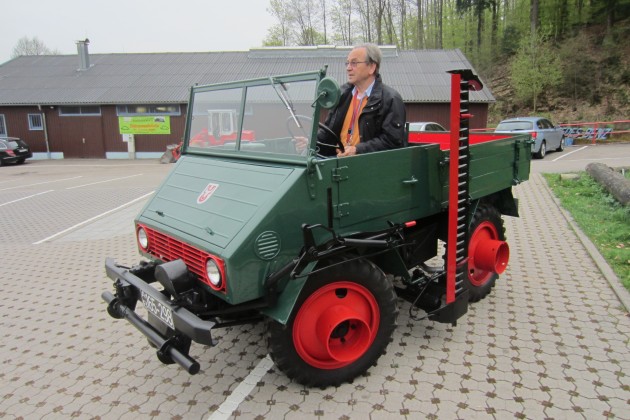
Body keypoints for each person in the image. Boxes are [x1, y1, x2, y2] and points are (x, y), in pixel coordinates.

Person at [315, 43, 406, 157]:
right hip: (337, 164)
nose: (348, 68)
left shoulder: (391, 99)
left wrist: (357, 150)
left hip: (368, 168)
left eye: (354, 63)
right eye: (347, 63)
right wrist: (311, 142)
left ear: (372, 67)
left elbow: (392, 141)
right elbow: (328, 132)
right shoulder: (341, 95)